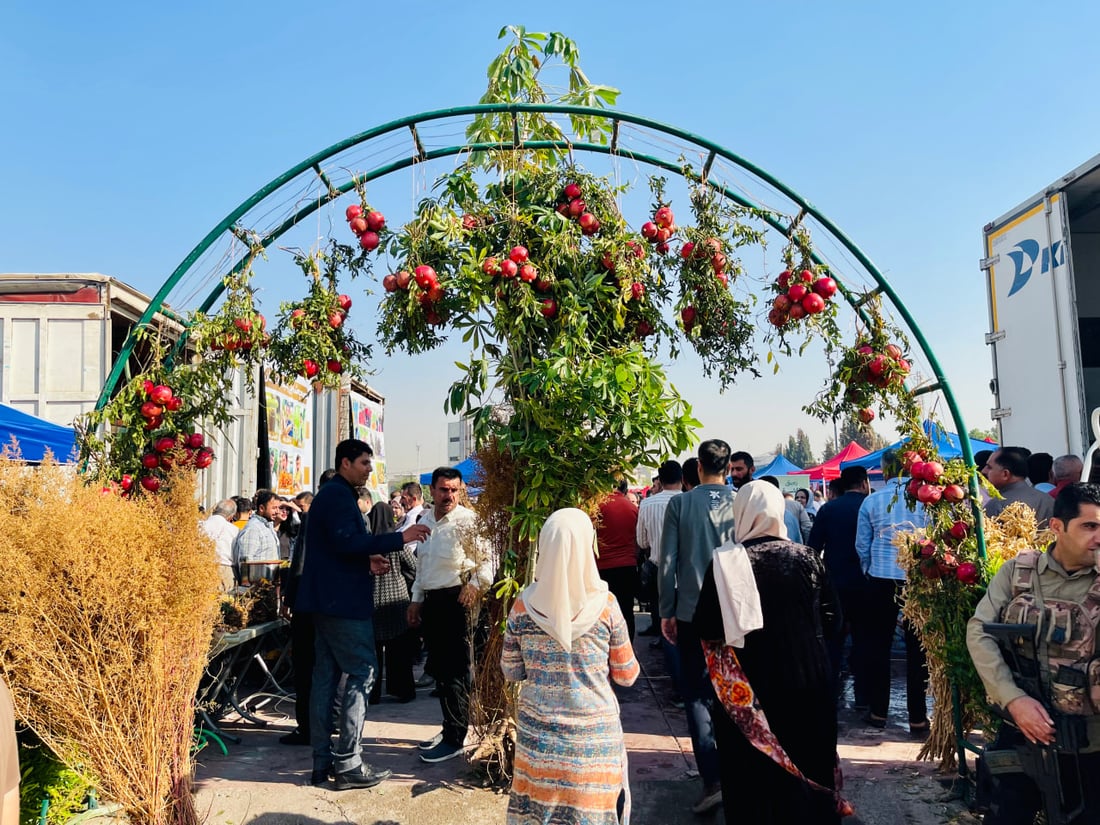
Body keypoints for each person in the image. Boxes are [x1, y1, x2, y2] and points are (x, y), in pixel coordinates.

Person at [694, 481, 843, 824]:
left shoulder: (725, 563)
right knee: (810, 760)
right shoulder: (807, 558)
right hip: (809, 681)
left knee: (751, 773)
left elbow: (706, 627)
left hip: (750, 689)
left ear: (740, 514)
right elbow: (835, 623)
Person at [296, 440, 430, 790]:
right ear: (345, 463)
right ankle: (349, 763)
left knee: (325, 678)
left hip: (328, 600)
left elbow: (338, 548)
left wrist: (365, 560)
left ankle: (322, 762)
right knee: (364, 673)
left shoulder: (331, 494)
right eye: (364, 463)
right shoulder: (338, 496)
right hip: (342, 604)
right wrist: (400, 538)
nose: (369, 469)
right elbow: (346, 542)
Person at [966, 482, 1100, 824]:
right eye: (1090, 526)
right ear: (1057, 527)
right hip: (1023, 729)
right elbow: (980, 631)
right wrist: (1013, 700)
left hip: (1091, 743)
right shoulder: (1018, 573)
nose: (1099, 536)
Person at [502, 508, 640, 825]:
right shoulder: (606, 606)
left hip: (538, 744)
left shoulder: (523, 605)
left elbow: (511, 670)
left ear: (544, 548)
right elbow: (627, 675)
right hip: (594, 746)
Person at [658, 439, 736, 813]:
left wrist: (666, 610)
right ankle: (740, 772)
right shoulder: (743, 502)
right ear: (729, 466)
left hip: (691, 613)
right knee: (738, 690)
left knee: (697, 695)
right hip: (736, 615)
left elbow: (667, 563)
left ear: (699, 467)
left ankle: (713, 779)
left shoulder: (681, 503)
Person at [407, 467, 494, 763]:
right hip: (432, 602)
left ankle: (456, 737)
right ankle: (449, 728)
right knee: (439, 672)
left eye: (455, 490)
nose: (449, 496)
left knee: (455, 671)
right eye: (444, 490)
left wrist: (473, 586)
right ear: (432, 491)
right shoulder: (425, 521)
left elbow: (487, 565)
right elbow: (422, 567)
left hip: (457, 600)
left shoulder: (469, 522)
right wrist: (416, 600)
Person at [856, 450, 929, 733]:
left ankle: (878, 712)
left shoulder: (872, 500)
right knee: (918, 650)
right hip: (919, 580)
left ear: (885, 472)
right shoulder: (925, 499)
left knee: (878, 647)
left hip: (881, 579)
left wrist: (869, 570)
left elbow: (862, 544)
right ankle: (918, 717)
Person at [279, 470, 335, 747]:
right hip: (331, 606)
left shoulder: (317, 519)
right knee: (327, 669)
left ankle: (309, 728)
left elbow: (299, 564)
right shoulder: (346, 516)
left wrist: (290, 600)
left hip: (310, 607)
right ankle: (326, 723)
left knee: (308, 670)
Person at [808, 465, 871, 705]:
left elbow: (814, 547)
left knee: (833, 640)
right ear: (865, 482)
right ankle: (864, 696)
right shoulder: (870, 506)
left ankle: (830, 692)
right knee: (865, 640)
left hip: (834, 584)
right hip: (866, 584)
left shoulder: (828, 509)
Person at [368, 501, 417, 705]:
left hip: (372, 599)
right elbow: (414, 565)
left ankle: (373, 693)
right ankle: (402, 690)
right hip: (397, 599)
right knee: (399, 650)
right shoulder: (398, 541)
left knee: (373, 651)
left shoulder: (368, 543)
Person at [636, 460, 682, 638]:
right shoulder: (689, 501)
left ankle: (661, 638)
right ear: (682, 478)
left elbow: (642, 542)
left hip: (658, 565)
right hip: (686, 568)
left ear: (660, 481)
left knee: (658, 606)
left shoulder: (647, 504)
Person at [595, 479, 641, 640]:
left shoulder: (597, 507)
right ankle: (628, 650)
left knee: (602, 612)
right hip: (627, 566)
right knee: (626, 610)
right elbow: (639, 540)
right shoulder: (632, 508)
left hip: (602, 567)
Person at [983, 447, 1055, 526]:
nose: (984, 471)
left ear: (1005, 474)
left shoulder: (996, 505)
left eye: (989, 467)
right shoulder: (1048, 500)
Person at [233, 489, 282, 584]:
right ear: (261, 508)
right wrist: (248, 588)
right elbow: (245, 560)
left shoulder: (268, 526)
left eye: (278, 508)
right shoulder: (253, 528)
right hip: (257, 587)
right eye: (274, 508)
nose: (277, 512)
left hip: (269, 584)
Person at [201, 499, 239, 593]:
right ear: (231, 516)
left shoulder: (199, 525)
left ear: (214, 509)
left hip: (201, 568)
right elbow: (237, 555)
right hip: (225, 570)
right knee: (224, 604)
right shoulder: (234, 530)